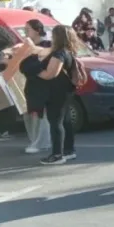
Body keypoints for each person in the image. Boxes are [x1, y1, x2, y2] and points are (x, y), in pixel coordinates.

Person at [34, 26, 82, 165]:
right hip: (66, 90)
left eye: (53, 35)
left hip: (57, 91)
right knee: (65, 121)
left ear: (57, 37)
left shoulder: (59, 53)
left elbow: (50, 74)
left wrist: (33, 70)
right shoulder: (69, 51)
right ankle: (69, 150)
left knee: (55, 122)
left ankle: (57, 154)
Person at [19, 19, 52, 154]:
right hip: (31, 84)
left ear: (37, 30)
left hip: (42, 84)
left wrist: (33, 68)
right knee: (30, 113)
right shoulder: (26, 47)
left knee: (41, 114)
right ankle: (34, 140)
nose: (26, 33)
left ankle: (42, 142)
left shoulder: (47, 45)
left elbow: (45, 64)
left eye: (28, 30)